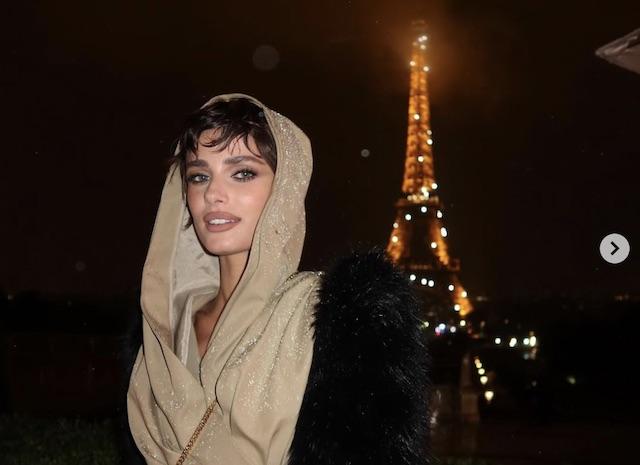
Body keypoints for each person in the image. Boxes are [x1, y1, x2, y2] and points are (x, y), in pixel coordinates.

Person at [126, 93, 431, 465]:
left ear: (285, 187)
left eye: (243, 173)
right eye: (199, 176)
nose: (213, 194)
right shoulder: (161, 328)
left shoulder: (340, 322)